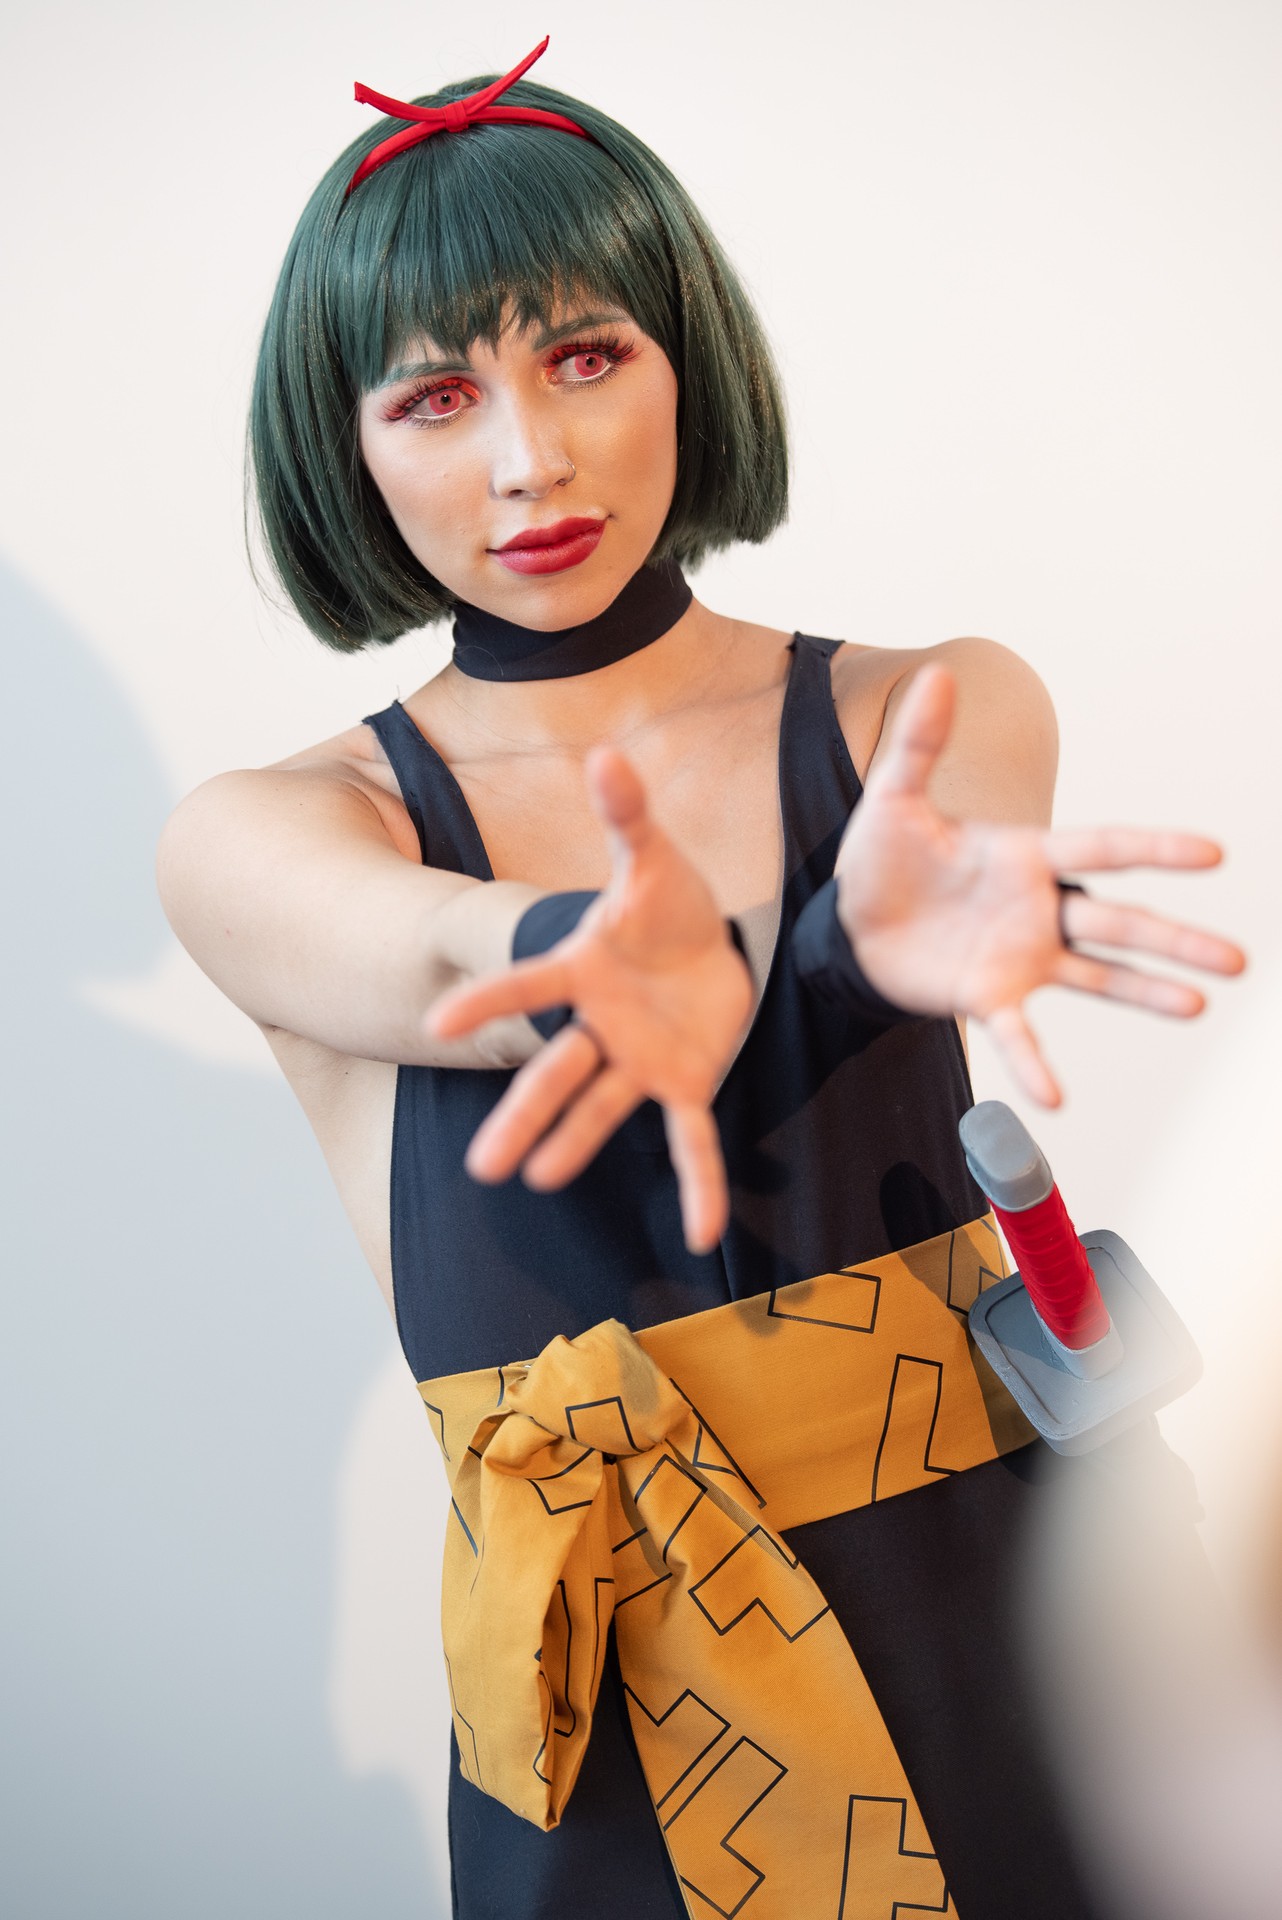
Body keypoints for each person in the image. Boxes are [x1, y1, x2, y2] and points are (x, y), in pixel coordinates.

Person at [156, 38, 1245, 1920]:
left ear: (687, 358)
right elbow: (421, 947)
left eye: (585, 356)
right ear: (343, 448)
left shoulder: (920, 708)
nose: (529, 459)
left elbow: (926, 871)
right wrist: (560, 951)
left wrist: (836, 948)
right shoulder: (276, 830)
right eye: (435, 396)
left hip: (1012, 1614)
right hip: (620, 1684)